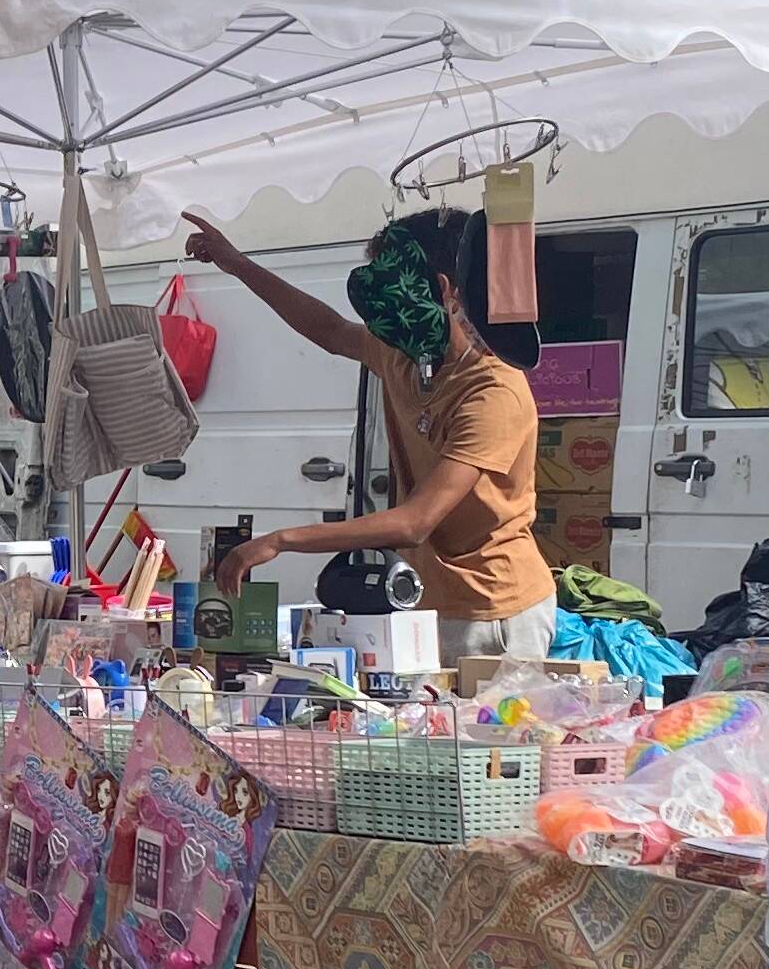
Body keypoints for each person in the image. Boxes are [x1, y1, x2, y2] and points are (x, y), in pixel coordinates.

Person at [181, 205, 561, 669]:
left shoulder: (493, 392)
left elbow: (415, 522)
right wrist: (236, 263)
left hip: (496, 613)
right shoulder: (404, 354)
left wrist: (282, 540)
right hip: (429, 602)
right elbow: (329, 329)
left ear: (441, 291)